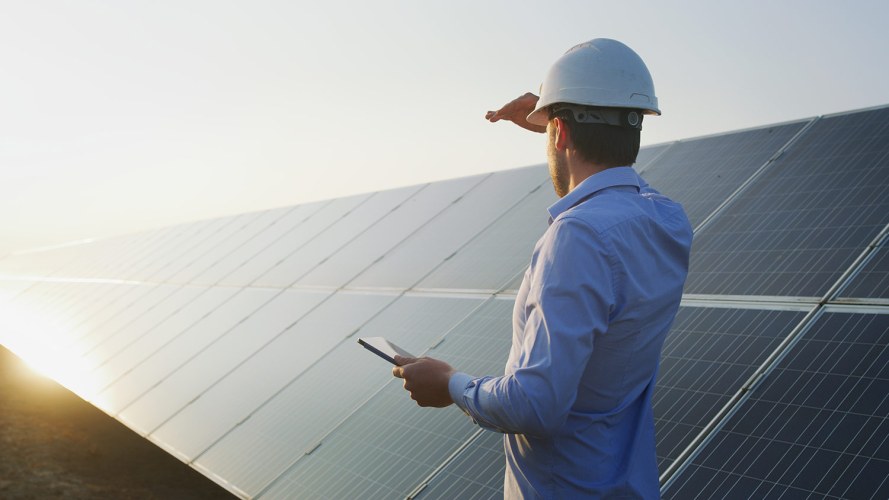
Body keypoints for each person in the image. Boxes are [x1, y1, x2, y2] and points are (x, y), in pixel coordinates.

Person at [392, 38, 692, 499]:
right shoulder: (667, 222)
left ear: (559, 134)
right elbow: (613, 166)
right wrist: (559, 120)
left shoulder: (578, 236)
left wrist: (449, 384)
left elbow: (535, 405)